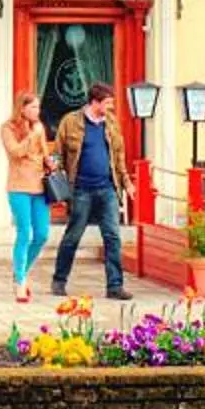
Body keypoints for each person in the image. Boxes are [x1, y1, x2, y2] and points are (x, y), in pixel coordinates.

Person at [50, 81, 130, 301]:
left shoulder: (111, 123)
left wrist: (126, 182)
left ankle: (115, 286)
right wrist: (55, 172)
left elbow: (119, 156)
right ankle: (59, 280)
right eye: (107, 102)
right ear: (95, 102)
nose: (111, 107)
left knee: (113, 236)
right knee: (73, 236)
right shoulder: (71, 122)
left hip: (107, 188)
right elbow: (57, 152)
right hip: (81, 189)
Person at [0, 90, 53, 303]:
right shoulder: (8, 128)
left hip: (40, 187)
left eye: (38, 108)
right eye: (32, 108)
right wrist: (32, 135)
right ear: (21, 108)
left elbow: (44, 155)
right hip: (19, 187)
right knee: (25, 233)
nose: (36, 112)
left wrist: (50, 162)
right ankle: (20, 282)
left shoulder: (39, 128)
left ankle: (20, 271)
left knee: (41, 235)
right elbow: (16, 152)